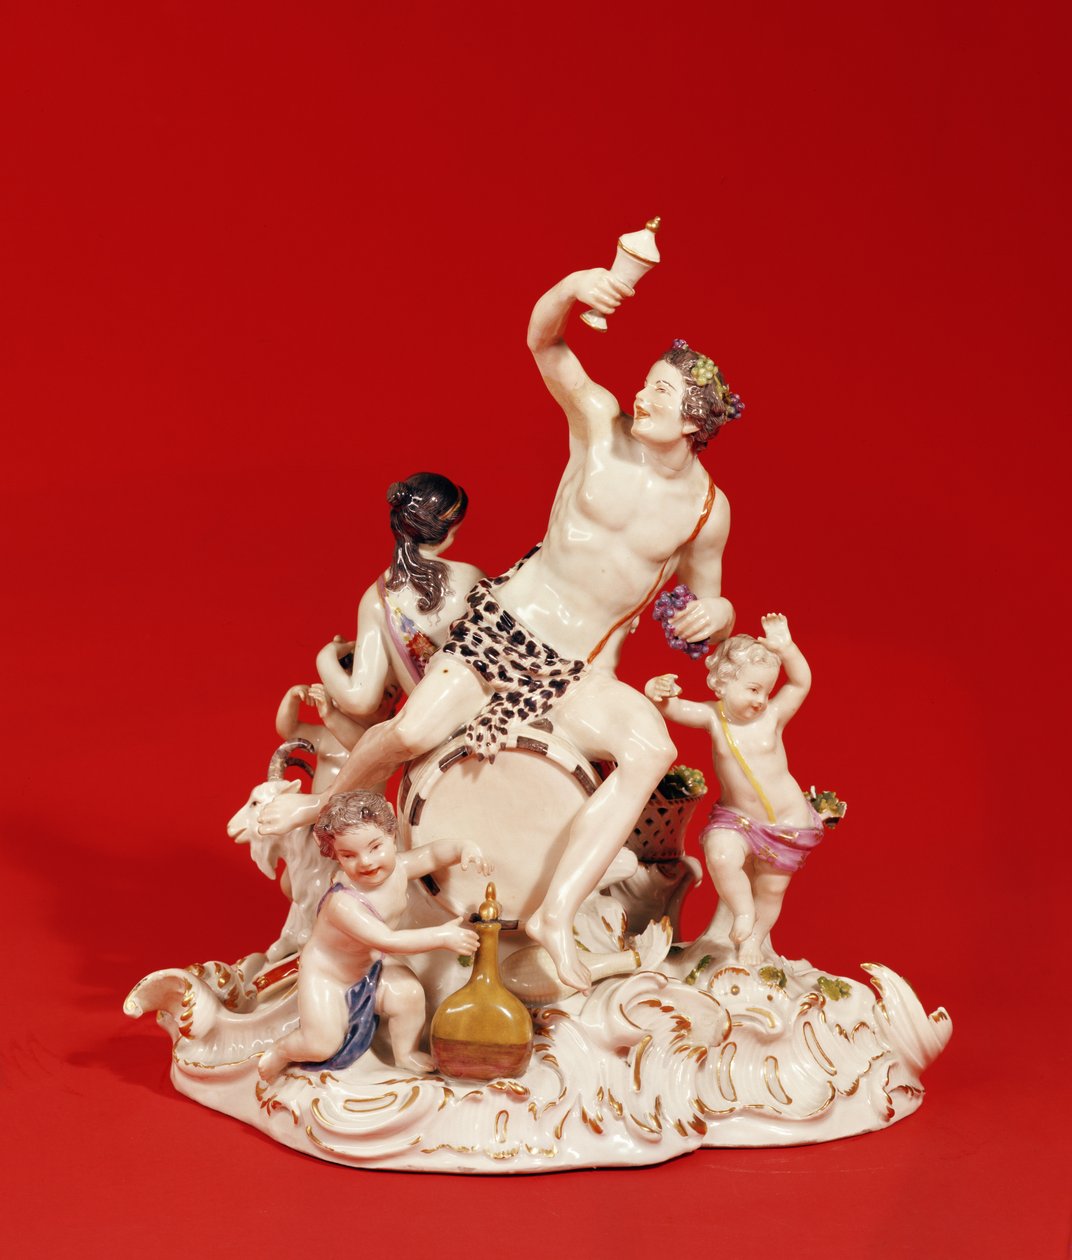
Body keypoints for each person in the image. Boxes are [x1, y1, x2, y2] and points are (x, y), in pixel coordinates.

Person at [262, 266, 741, 994]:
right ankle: (321, 812)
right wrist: (577, 286)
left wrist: (718, 615)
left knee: (651, 749)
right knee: (412, 732)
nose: (642, 396)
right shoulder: (599, 426)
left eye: (662, 392)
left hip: (579, 670)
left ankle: (555, 912)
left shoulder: (707, 510)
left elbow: (704, 614)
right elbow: (544, 343)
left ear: (694, 422)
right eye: (647, 382)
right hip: (509, 626)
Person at [256, 790, 490, 1082]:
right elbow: (388, 941)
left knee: (408, 995)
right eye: (348, 855)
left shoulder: (399, 868)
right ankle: (281, 1051)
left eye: (375, 847)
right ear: (335, 855)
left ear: (392, 834)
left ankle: (405, 1054)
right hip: (329, 977)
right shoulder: (343, 903)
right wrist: (442, 936)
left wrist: (463, 848)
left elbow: (432, 854)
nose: (365, 862)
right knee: (320, 1045)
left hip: (369, 966)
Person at [645, 613, 821, 965]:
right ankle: (742, 912)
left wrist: (786, 648)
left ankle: (755, 938)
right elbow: (675, 708)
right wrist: (657, 693)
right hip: (737, 818)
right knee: (721, 855)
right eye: (753, 689)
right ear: (723, 684)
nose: (761, 700)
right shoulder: (714, 717)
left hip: (787, 821)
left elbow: (800, 683)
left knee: (771, 889)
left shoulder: (772, 717)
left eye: (766, 691)